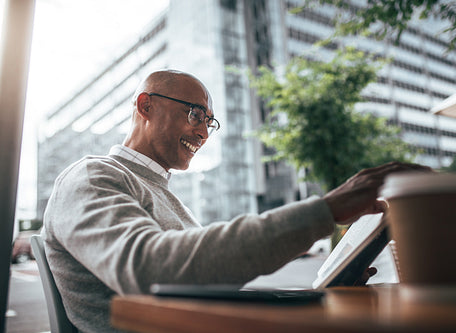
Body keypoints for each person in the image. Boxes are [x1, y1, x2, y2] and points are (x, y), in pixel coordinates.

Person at [42, 69, 431, 332]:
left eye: (209, 122)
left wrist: (321, 291)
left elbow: (202, 291)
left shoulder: (161, 192)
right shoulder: (93, 176)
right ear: (146, 106)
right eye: (195, 115)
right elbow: (149, 270)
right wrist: (326, 210)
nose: (204, 133)